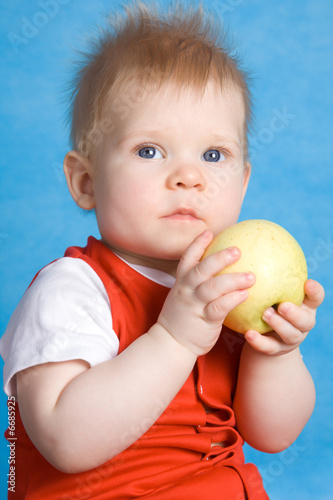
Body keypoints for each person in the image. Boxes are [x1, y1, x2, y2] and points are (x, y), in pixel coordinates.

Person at [0, 2, 324, 499]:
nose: (188, 176)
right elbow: (65, 440)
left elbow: (273, 436)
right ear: (86, 182)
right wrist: (174, 339)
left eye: (213, 155)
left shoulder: (228, 287)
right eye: (149, 151)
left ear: (242, 186)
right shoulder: (71, 289)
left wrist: (277, 354)